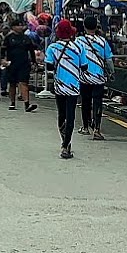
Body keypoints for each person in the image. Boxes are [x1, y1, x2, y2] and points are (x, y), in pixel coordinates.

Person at [46, 19, 85, 159]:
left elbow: (49, 66)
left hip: (59, 86)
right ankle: (66, 144)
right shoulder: (79, 47)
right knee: (71, 115)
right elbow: (84, 66)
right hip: (74, 86)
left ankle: (64, 141)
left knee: (61, 114)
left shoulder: (52, 48)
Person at [77, 16, 114, 141]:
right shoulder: (102, 41)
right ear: (96, 26)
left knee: (85, 102)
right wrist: (112, 72)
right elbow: (108, 60)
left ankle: (85, 127)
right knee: (98, 102)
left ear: (84, 27)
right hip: (99, 77)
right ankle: (97, 129)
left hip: (84, 76)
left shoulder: (79, 41)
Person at [2, 18, 38, 112]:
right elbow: (3, 50)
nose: (20, 27)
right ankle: (12, 102)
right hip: (12, 64)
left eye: (21, 25)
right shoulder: (9, 37)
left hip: (24, 63)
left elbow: (31, 50)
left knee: (24, 83)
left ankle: (27, 103)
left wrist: (34, 62)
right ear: (13, 27)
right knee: (12, 84)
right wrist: (3, 60)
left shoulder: (26, 38)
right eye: (18, 25)